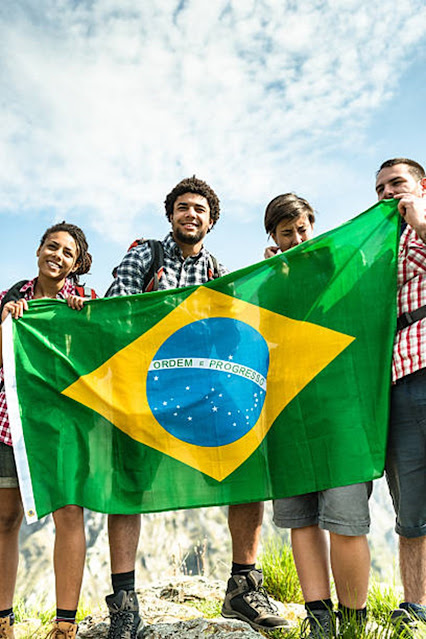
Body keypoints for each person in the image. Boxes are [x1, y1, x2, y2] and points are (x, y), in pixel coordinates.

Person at [105, 175, 289, 637]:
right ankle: (124, 602)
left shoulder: (218, 272)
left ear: (211, 222)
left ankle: (243, 586)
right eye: (183, 207)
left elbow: (233, 331)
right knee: (129, 485)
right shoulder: (145, 254)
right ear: (171, 215)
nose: (191, 214)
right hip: (145, 388)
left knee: (247, 461)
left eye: (200, 210)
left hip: (200, 392)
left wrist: (274, 277)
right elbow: (118, 305)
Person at [264, 193, 372, 638]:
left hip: (341, 413)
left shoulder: (339, 266)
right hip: (288, 417)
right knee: (301, 520)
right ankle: (319, 621)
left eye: (302, 229)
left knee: (346, 521)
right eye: (285, 232)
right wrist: (271, 276)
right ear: (273, 237)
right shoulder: (267, 283)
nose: (295, 238)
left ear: (314, 226)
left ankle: (353, 624)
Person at [0, 222, 95, 639]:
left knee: (69, 514)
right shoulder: (9, 299)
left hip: (63, 427)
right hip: (12, 423)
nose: (57, 255)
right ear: (38, 250)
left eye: (67, 252)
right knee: (4, 520)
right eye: (51, 246)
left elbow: (97, 354)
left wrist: (79, 321)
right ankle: (3, 620)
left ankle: (64, 625)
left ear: (76, 263)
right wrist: (5, 323)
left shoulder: (84, 302)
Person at [375, 158, 426, 631]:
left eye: (397, 183)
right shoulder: (379, 243)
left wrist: (421, 220)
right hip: (399, 378)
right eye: (380, 188)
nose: (388, 192)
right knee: (411, 504)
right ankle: (416, 607)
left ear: (421, 185)